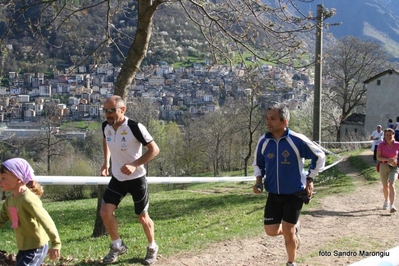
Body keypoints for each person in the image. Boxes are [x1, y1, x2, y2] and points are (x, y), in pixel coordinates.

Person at [252, 104, 326, 266]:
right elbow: (258, 163)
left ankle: (291, 262)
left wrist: (310, 178)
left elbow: (320, 156)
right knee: (271, 231)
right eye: (267, 118)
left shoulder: (297, 140)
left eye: (272, 119)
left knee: (287, 230)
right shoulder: (264, 141)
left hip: (295, 193)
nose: (268, 122)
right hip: (273, 193)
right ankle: (294, 228)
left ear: (284, 121)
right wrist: (258, 181)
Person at [100, 95, 160, 265]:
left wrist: (134, 164)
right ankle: (117, 246)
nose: (107, 114)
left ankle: (152, 246)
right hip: (118, 178)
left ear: (122, 109)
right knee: (105, 212)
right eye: (105, 111)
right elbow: (106, 140)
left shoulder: (135, 127)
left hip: (136, 178)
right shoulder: (106, 126)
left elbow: (154, 150)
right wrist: (106, 162)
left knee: (142, 216)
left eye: (111, 110)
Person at [0, 158, 61, 265]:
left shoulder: (28, 199)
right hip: (23, 247)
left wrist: (56, 243)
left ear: (18, 178)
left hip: (36, 247)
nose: (0, 181)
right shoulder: (9, 201)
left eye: (3, 178)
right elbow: (1, 219)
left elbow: (46, 220)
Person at [376, 128, 399, 213]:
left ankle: (392, 205)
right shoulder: (381, 144)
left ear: (394, 135)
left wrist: (396, 161)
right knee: (385, 186)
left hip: (394, 166)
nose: (388, 137)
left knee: (392, 184)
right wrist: (387, 159)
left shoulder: (398, 144)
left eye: (390, 135)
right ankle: (386, 200)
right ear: (384, 136)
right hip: (383, 165)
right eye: (387, 135)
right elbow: (378, 157)